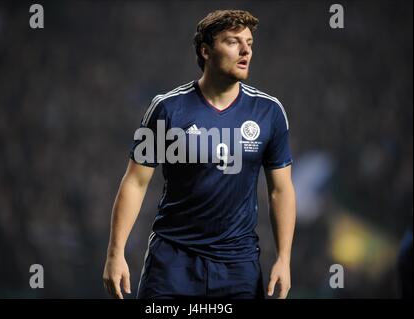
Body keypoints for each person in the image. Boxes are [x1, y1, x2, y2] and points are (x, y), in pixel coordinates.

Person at [103, 9, 296, 299]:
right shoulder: (167, 109)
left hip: (237, 266)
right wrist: (115, 253)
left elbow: (280, 190)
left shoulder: (269, 112)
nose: (246, 50)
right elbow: (135, 181)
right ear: (206, 51)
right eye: (233, 41)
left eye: (249, 43)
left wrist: (284, 259)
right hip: (172, 263)